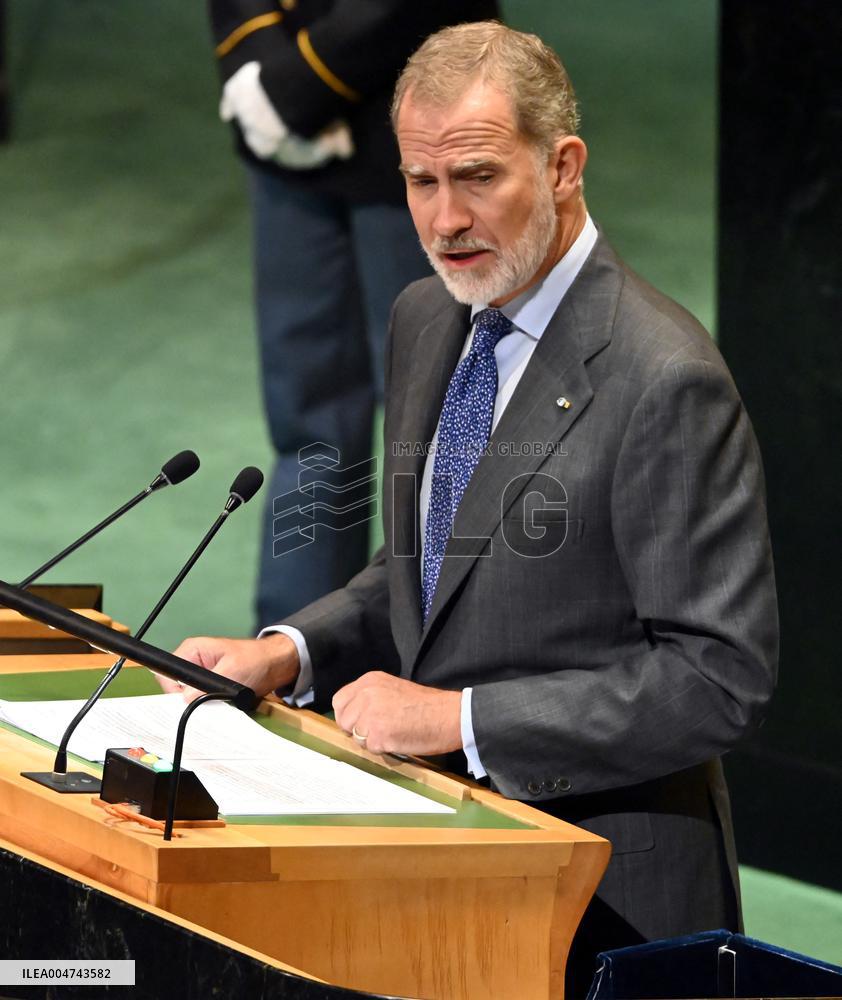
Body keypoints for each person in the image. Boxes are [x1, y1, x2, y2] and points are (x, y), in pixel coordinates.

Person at [174, 22, 778, 995]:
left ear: (563, 166)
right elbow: (426, 566)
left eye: (478, 178)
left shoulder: (664, 378)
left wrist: (459, 718)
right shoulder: (427, 314)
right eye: (421, 181)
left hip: (600, 898)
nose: (445, 219)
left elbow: (716, 680)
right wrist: (289, 651)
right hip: (440, 865)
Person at [208, 0, 498, 627]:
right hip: (286, 142)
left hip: (420, 139)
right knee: (309, 429)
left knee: (438, 428)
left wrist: (295, 87)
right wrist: (262, 64)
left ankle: (442, 652)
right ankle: (294, 652)